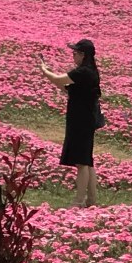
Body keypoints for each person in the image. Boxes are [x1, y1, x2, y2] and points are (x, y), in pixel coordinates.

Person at [41, 38, 101, 208]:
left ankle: (79, 200)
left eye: (75, 53)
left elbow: (60, 80)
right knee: (87, 161)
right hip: (84, 120)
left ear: (83, 55)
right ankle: (91, 200)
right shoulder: (89, 71)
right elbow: (67, 88)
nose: (73, 56)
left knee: (82, 162)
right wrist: (51, 76)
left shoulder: (83, 72)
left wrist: (45, 71)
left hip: (81, 121)